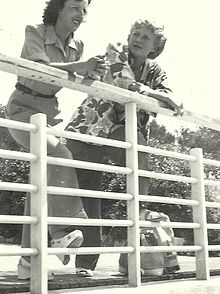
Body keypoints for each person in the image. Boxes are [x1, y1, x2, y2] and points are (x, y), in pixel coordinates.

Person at [65, 19, 183, 277]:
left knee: (138, 187)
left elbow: (168, 94)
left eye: (145, 38)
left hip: (126, 134)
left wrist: (162, 95)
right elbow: (123, 82)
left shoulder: (154, 69)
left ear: (154, 47)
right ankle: (85, 264)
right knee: (90, 197)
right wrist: (160, 95)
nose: (138, 39)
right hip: (90, 131)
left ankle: (131, 256)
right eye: (135, 34)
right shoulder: (115, 49)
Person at [5, 0, 108, 280]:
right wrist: (80, 65)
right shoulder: (35, 31)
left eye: (84, 9)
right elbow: (40, 68)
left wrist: (92, 72)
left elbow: (75, 76)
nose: (81, 14)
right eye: (75, 6)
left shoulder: (79, 46)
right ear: (58, 8)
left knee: (39, 182)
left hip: (50, 115)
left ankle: (28, 262)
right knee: (61, 155)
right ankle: (62, 231)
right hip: (23, 109)